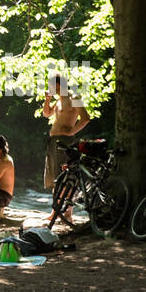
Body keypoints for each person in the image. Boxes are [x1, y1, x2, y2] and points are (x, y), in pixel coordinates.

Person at [42, 74, 90, 225]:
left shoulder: (74, 97)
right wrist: (47, 100)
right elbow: (46, 114)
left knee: (66, 177)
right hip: (53, 142)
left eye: (52, 85)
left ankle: (68, 212)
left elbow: (86, 118)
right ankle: (55, 211)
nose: (51, 88)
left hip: (65, 142)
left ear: (60, 85)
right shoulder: (58, 100)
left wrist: (71, 132)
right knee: (56, 178)